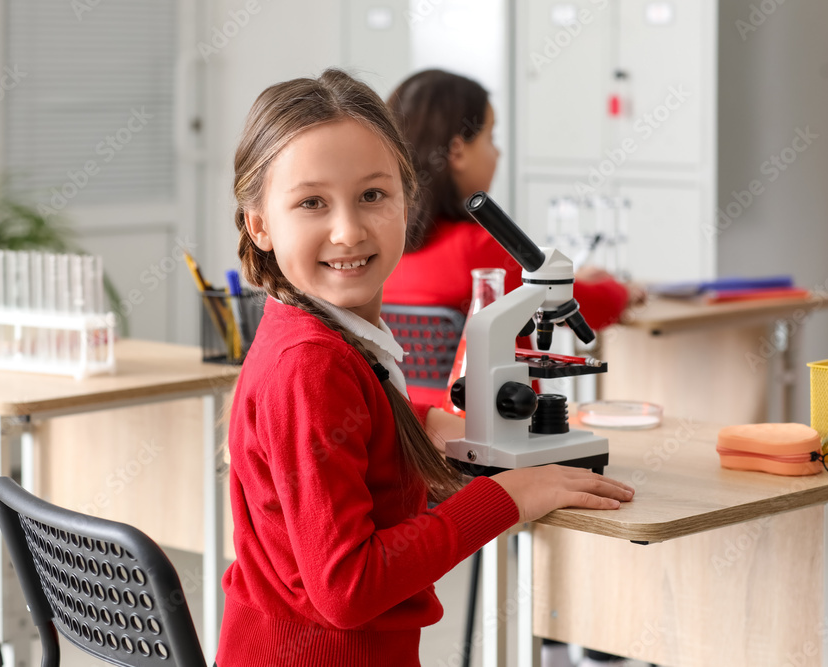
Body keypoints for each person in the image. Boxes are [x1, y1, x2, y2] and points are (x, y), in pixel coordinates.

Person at [215, 68, 634, 667]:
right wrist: (508, 498)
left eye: (372, 195)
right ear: (259, 224)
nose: (348, 230)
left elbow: (344, 418)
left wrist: (417, 420)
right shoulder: (309, 364)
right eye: (312, 203)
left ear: (407, 202)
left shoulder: (310, 330)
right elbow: (347, 587)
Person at [382, 69, 646, 409]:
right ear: (458, 151)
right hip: (487, 425)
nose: (498, 154)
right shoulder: (475, 248)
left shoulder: (382, 248)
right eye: (491, 138)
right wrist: (624, 291)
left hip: (407, 425)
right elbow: (592, 308)